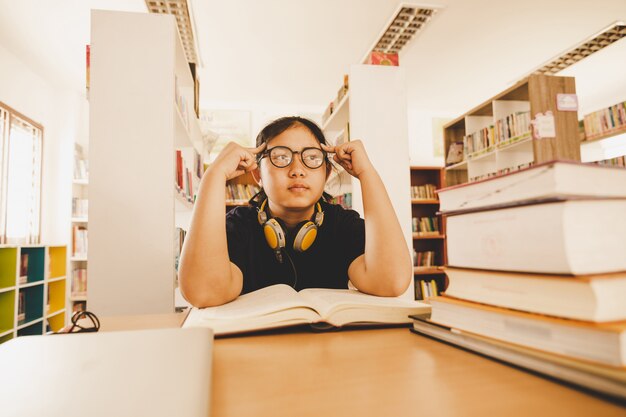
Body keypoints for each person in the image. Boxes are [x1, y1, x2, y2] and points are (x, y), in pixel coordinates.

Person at [179, 116, 411, 307]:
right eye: (281, 157)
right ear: (258, 175)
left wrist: (367, 173)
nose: (297, 170)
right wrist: (214, 175)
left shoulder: (342, 224)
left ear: (327, 173)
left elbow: (391, 282)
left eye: (311, 158)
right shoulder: (239, 225)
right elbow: (203, 293)